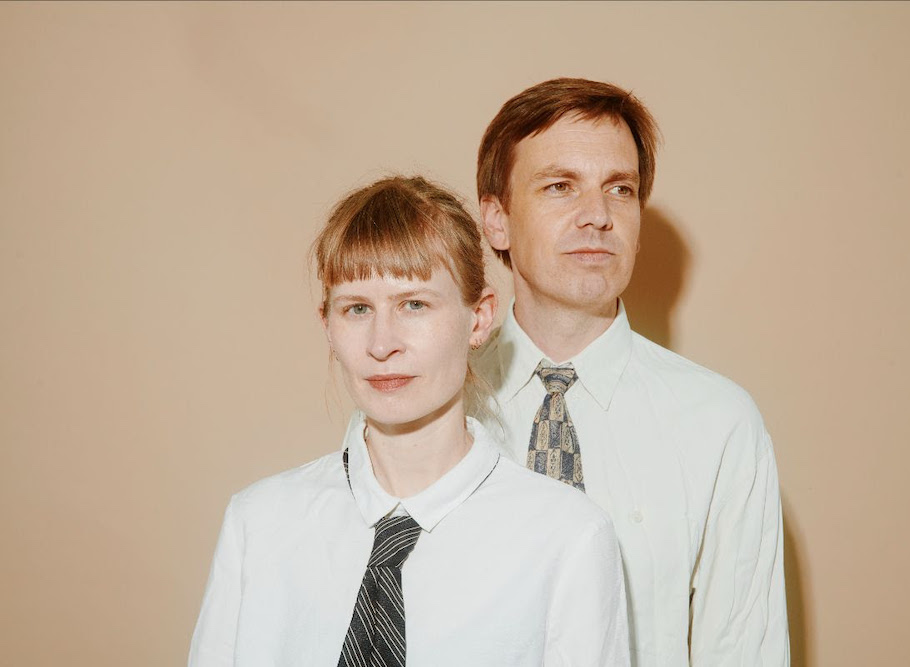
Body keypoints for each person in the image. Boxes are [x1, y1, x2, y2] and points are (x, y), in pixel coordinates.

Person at [189, 176, 629, 666]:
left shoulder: (568, 539)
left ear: (480, 318)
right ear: (327, 325)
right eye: (357, 309)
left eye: (414, 304)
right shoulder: (258, 523)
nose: (382, 344)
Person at [474, 78, 790, 666]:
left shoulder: (720, 425)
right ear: (497, 220)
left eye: (619, 189)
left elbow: (742, 651)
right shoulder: (429, 404)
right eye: (560, 186)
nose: (598, 216)